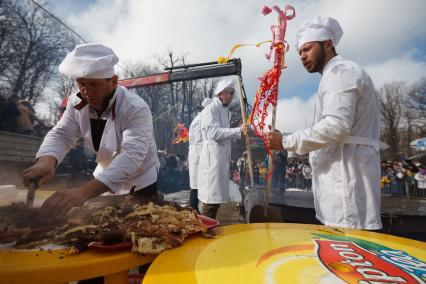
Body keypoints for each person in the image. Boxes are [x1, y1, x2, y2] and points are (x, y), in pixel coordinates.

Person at [266, 16, 382, 230]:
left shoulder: (340, 73)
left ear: (328, 44)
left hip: (346, 180)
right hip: (340, 180)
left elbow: (336, 127)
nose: (302, 56)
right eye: (300, 52)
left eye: (307, 49)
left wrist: (286, 141)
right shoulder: (334, 74)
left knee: (349, 253)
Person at [22, 43, 159, 222]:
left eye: (94, 85)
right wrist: (46, 161)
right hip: (104, 176)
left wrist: (83, 192)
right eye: (81, 84)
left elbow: (132, 156)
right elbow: (62, 134)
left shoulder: (135, 108)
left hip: (140, 179)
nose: (87, 92)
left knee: (142, 225)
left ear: (114, 81)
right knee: (102, 225)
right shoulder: (75, 103)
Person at [197, 78, 247, 219]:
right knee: (211, 199)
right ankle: (205, 227)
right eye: (228, 93)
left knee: (216, 198)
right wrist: (237, 131)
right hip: (212, 159)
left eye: (232, 93)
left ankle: (208, 224)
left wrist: (239, 129)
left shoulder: (225, 112)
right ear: (220, 93)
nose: (230, 96)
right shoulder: (211, 109)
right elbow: (214, 133)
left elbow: (224, 133)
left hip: (220, 159)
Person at [187, 97, 212, 212]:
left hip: (198, 154)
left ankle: (195, 209)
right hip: (197, 155)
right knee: (196, 186)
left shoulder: (201, 119)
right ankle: (193, 209)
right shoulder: (199, 120)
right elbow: (198, 141)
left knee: (198, 185)